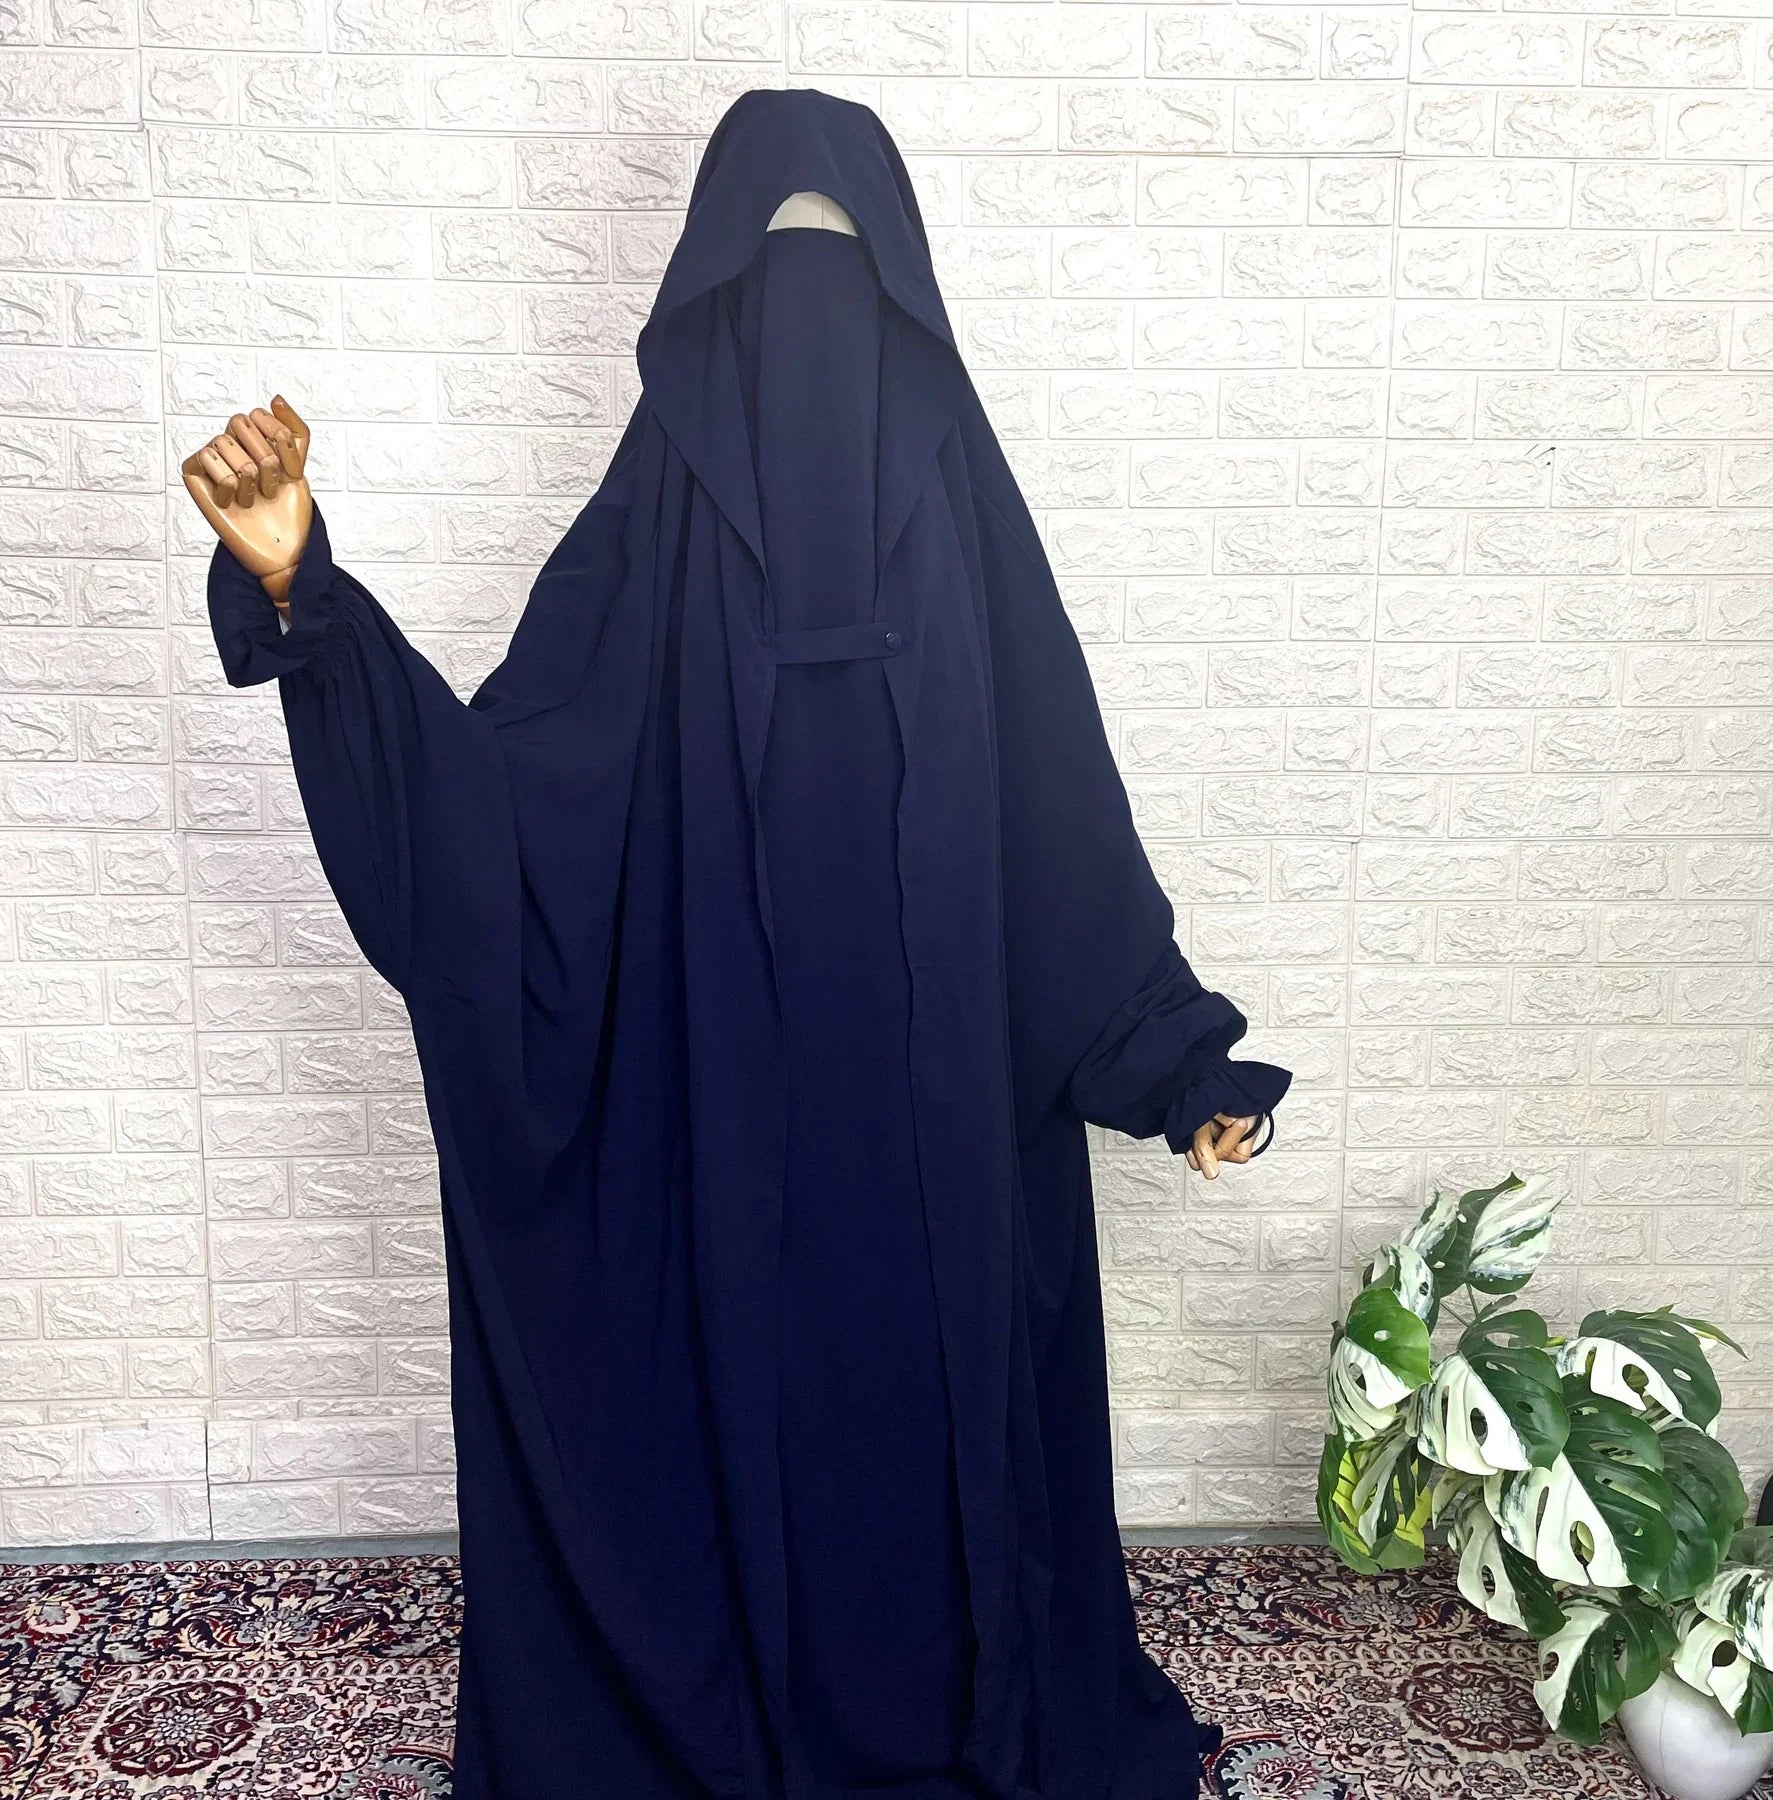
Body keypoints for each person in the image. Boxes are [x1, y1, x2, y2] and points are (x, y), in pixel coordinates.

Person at [186, 88, 1292, 1800]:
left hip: (943, 1143)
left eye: (841, 272)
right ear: (708, 305)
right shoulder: (653, 535)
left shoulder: (967, 526)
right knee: (738, 1413)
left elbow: (1062, 814)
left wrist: (1172, 1061)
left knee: (933, 1429)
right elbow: (502, 822)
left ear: (906, 302)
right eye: (774, 277)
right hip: (716, 1134)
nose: (809, 327)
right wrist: (305, 597)